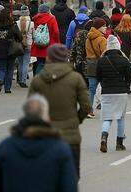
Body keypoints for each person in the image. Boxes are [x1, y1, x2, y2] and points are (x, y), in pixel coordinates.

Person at [0, 94, 78, 192]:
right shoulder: (60, 149)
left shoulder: (6, 145)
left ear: (25, 113)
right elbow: (70, 187)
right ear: (46, 116)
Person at [29, 44, 91, 178]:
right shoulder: (75, 78)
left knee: (47, 178)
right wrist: (76, 119)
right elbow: (86, 106)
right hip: (70, 137)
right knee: (71, 176)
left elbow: (31, 110)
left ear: (48, 58)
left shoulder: (38, 80)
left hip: (45, 136)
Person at [96, 35, 131, 153]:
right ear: (118, 47)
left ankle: (104, 137)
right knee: (120, 118)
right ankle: (119, 143)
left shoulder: (102, 60)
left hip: (106, 92)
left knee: (107, 117)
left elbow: (98, 76)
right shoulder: (124, 60)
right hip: (121, 92)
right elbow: (130, 77)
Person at [0, 8, 22, 93]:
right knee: (10, 69)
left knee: (1, 68)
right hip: (11, 50)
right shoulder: (12, 25)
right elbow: (19, 37)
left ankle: (0, 80)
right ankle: (7, 88)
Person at [85, 18, 108, 118]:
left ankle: (88, 110)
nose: (105, 28)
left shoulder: (88, 38)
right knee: (105, 87)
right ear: (99, 28)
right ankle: (104, 106)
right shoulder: (102, 39)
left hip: (90, 63)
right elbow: (104, 53)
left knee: (91, 89)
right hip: (100, 64)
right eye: (103, 26)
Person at [31, 3, 60, 76]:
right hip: (50, 44)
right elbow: (56, 32)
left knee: (40, 63)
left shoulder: (35, 19)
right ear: (48, 10)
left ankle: (37, 80)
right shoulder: (52, 18)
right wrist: (56, 42)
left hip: (39, 44)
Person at [15, 5, 34, 88]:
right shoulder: (31, 23)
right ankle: (23, 81)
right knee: (26, 64)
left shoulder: (16, 23)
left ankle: (19, 79)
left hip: (19, 45)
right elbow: (34, 35)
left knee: (20, 63)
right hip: (28, 45)